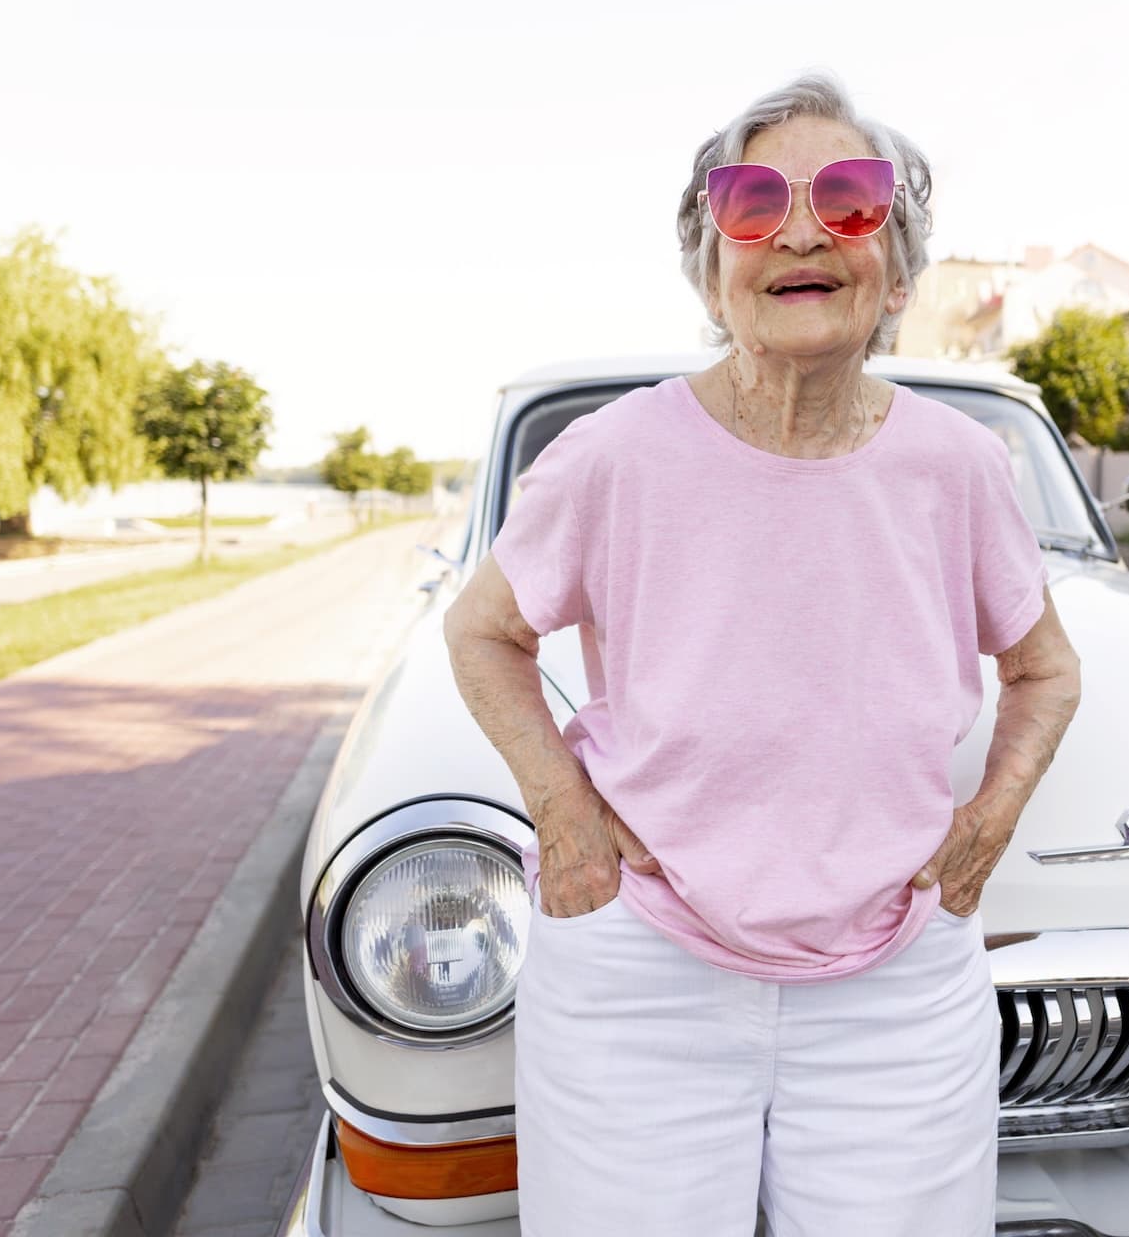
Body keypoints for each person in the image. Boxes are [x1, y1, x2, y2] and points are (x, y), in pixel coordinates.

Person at [442, 73, 1081, 1236]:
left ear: (897, 266)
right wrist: (563, 808)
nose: (800, 231)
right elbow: (482, 630)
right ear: (712, 269)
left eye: (849, 198)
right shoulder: (611, 454)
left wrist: (991, 817)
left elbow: (1046, 667)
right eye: (753, 202)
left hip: (897, 984)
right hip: (642, 971)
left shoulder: (959, 464)